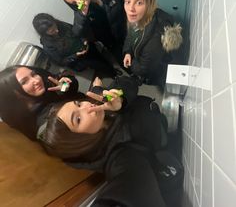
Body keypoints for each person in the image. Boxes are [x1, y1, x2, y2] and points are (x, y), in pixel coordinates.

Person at [39, 76, 170, 206]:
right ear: (78, 141)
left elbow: (127, 81)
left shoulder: (100, 107)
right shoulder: (117, 156)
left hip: (156, 114)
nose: (88, 107)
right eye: (78, 119)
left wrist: (119, 99)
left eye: (78, 104)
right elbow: (128, 183)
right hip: (161, 137)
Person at [123, 0, 183, 87]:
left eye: (139, 2)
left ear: (150, 4)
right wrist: (128, 51)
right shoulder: (137, 18)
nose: (130, 9)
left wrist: (131, 63)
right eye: (127, 1)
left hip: (153, 71)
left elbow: (143, 69)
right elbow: (130, 34)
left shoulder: (154, 41)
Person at [0, 65, 79, 140]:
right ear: (13, 93)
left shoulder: (45, 87)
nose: (36, 80)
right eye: (24, 82)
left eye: (33, 74)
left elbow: (71, 92)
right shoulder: (41, 121)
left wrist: (65, 86)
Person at [60, 0, 127, 65]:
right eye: (74, 2)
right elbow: (77, 33)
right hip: (114, 45)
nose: (77, 1)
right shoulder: (81, 13)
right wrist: (83, 12)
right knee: (128, 66)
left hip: (129, 32)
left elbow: (133, 1)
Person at [32, 13, 116, 77]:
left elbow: (75, 31)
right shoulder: (48, 45)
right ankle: (113, 74)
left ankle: (112, 68)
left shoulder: (61, 25)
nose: (56, 30)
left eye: (55, 26)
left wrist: (84, 40)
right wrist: (76, 55)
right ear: (44, 33)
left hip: (84, 46)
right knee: (98, 64)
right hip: (78, 59)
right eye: (52, 31)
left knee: (99, 55)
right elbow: (60, 61)